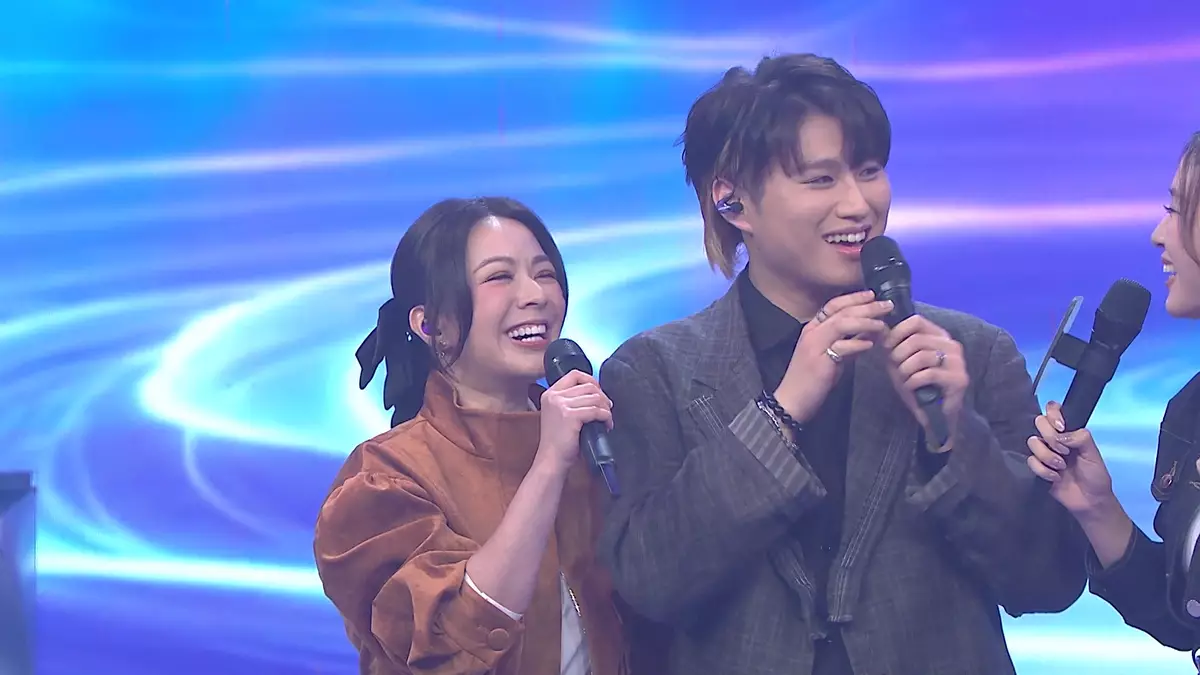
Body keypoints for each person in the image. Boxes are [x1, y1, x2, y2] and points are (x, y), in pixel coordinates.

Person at [596, 53, 1088, 675]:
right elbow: (650, 582)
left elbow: (1049, 581)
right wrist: (779, 413)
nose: (859, 204)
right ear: (732, 200)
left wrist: (957, 437)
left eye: (869, 171)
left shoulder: (972, 351)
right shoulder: (653, 371)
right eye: (820, 179)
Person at [313, 197, 629, 675]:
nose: (535, 295)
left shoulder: (595, 442)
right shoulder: (384, 478)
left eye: (544, 273)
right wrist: (548, 464)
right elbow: (452, 642)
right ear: (430, 325)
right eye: (499, 277)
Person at [1027, 132, 1200, 658]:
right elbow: (1185, 621)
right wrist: (1098, 509)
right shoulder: (1189, 412)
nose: (1158, 234)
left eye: (1179, 211)